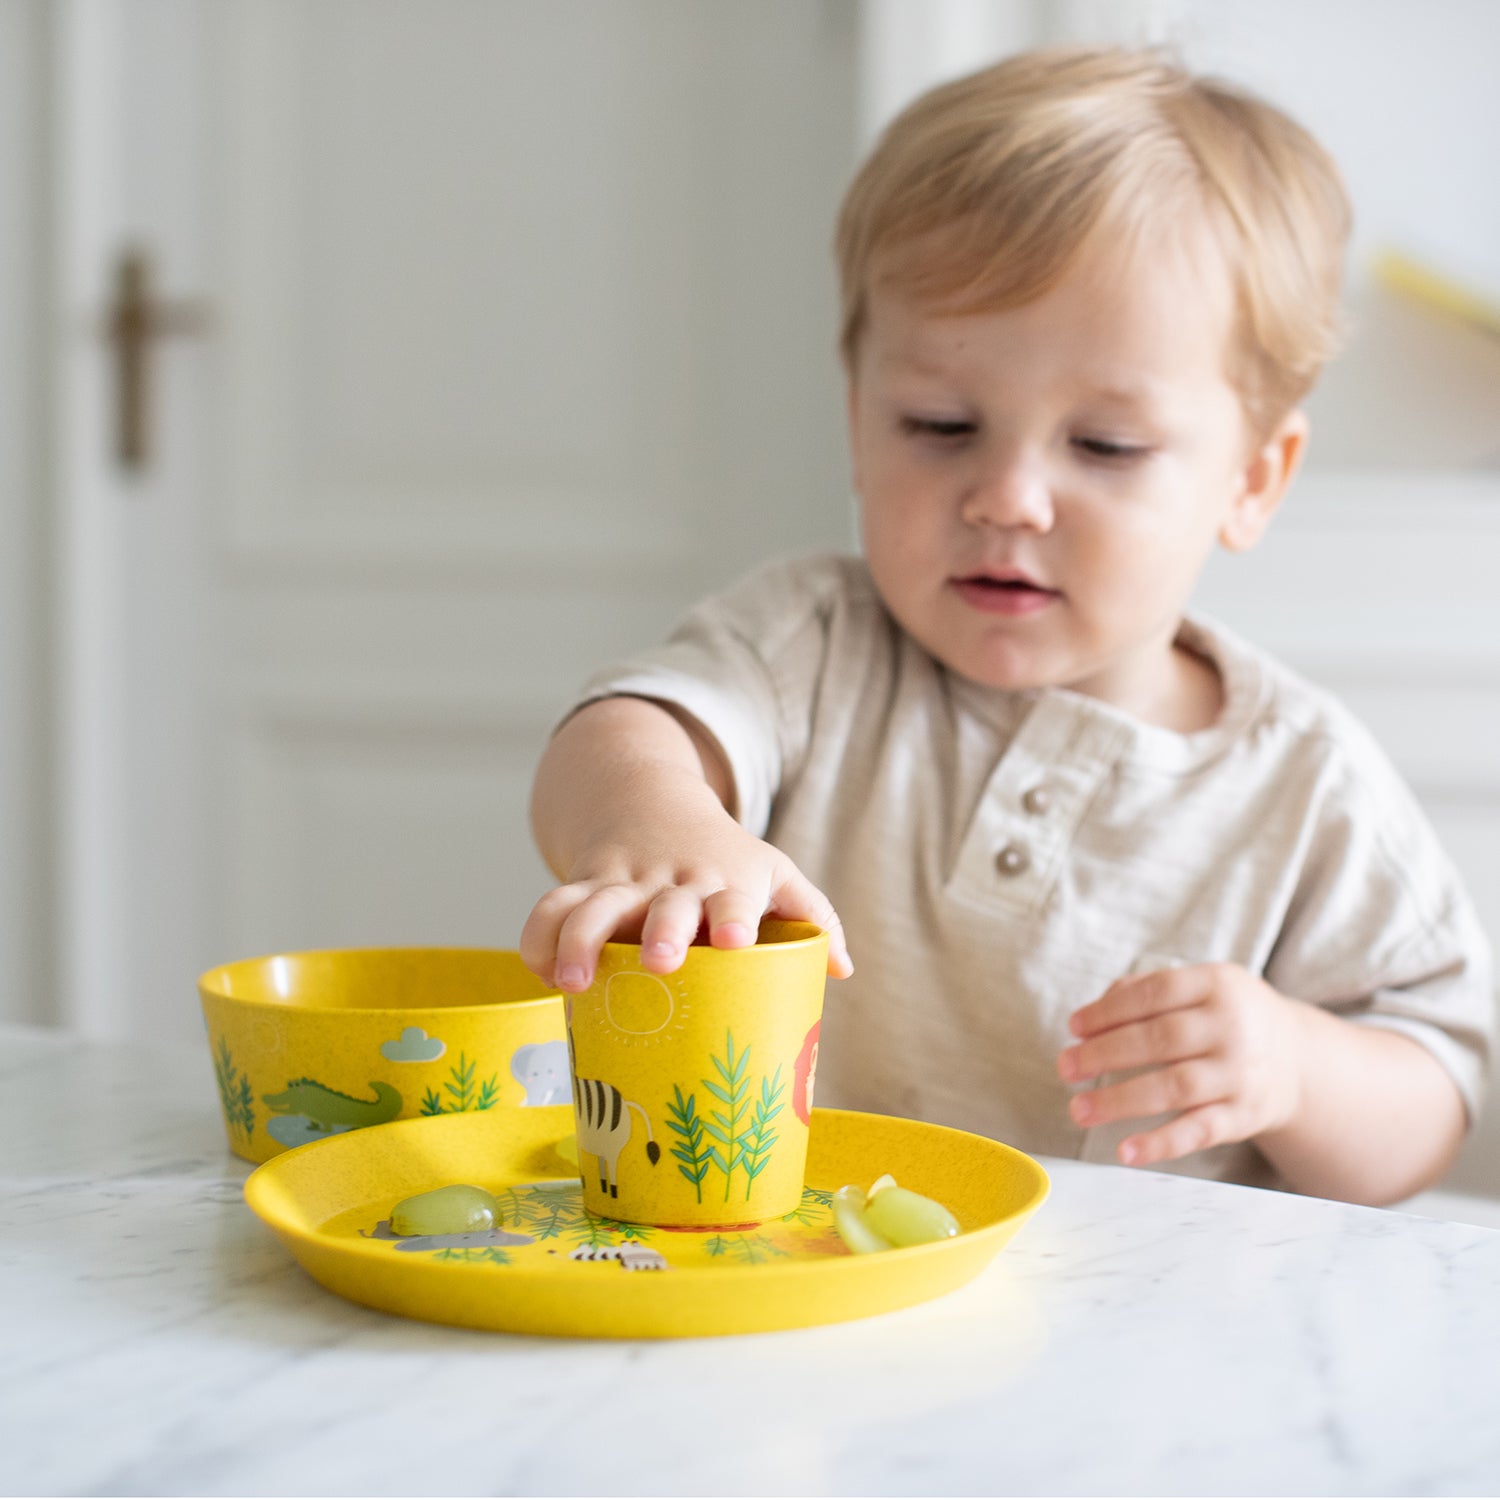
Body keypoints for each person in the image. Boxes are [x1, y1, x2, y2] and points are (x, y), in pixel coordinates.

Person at [521, 47, 1493, 1205]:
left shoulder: (1305, 784)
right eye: (939, 425)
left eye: (1105, 447)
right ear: (855, 419)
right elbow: (630, 730)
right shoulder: (814, 642)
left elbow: (1436, 1095)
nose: (1009, 497)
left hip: (1136, 1334)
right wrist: (661, 823)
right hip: (792, 1285)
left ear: (1253, 479)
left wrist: (1297, 1067)